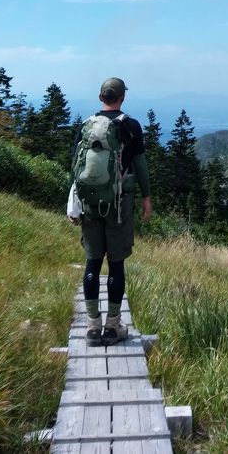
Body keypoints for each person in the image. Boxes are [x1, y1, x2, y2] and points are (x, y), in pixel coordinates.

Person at [69, 76, 152, 345]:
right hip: (118, 204)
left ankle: (92, 327)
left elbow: (76, 168)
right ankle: (113, 326)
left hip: (90, 203)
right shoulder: (130, 125)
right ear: (122, 97)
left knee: (93, 261)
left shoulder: (86, 126)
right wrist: (147, 197)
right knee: (116, 263)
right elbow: (139, 165)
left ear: (100, 96)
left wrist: (75, 204)